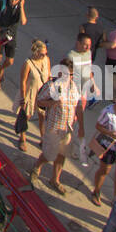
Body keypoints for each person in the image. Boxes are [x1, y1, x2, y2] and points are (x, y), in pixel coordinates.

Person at [29, 57, 81, 195]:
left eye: (70, 74)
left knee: (62, 155)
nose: (67, 76)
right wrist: (51, 104)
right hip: (54, 127)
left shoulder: (74, 87)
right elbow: (39, 101)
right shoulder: (52, 86)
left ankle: (55, 179)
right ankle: (37, 167)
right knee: (49, 153)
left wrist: (75, 117)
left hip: (67, 128)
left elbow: (76, 104)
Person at [13, 39, 50, 152]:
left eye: (45, 53)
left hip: (43, 93)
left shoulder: (46, 60)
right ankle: (22, 138)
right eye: (42, 54)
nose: (44, 55)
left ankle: (43, 138)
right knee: (26, 116)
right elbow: (23, 81)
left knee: (42, 117)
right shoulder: (27, 63)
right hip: (30, 92)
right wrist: (23, 97)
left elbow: (48, 74)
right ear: (36, 52)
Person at [0, 0, 26, 91]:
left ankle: (1, 70)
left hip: (11, 37)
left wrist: (22, 6)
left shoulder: (19, 8)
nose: (13, 1)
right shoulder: (3, 4)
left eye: (16, 0)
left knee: (10, 61)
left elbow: (23, 21)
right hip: (0, 34)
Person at [67, 31, 98, 151]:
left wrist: (93, 84)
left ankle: (67, 140)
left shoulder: (88, 53)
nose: (88, 47)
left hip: (83, 92)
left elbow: (89, 69)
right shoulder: (71, 56)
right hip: (73, 92)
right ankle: (64, 143)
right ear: (78, 43)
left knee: (75, 119)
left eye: (89, 45)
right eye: (85, 45)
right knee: (71, 119)